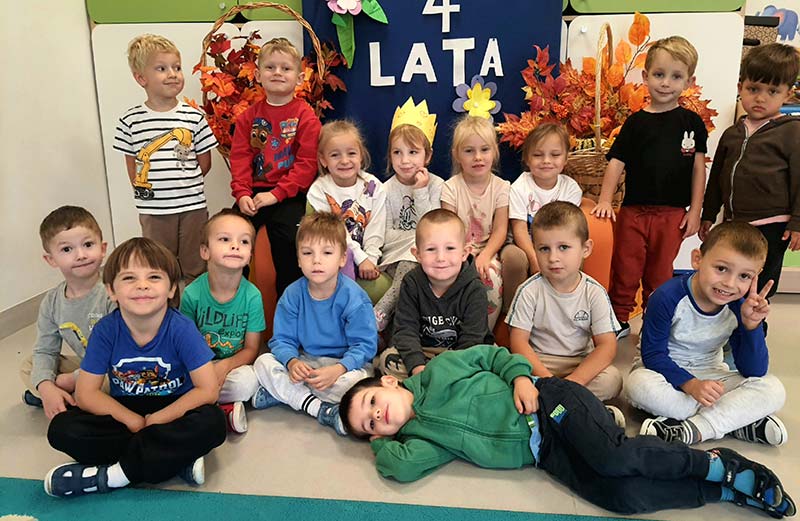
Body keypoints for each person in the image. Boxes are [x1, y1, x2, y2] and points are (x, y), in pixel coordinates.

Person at [340, 345, 795, 518]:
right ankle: (718, 491)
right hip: (546, 455)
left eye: (371, 404)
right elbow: (403, 468)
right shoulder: (420, 441)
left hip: (550, 402)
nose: (376, 417)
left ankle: (715, 465)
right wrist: (382, 444)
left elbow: (493, 356)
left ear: (389, 382)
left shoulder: (440, 371)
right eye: (369, 426)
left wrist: (521, 377)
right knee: (621, 498)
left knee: (613, 458)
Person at [45, 238, 227, 498]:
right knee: (62, 428)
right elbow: (86, 394)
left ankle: (113, 476)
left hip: (173, 411)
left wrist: (156, 420)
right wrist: (134, 421)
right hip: (124, 410)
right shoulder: (106, 331)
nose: (142, 285)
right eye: (129, 278)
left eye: (154, 277)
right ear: (111, 290)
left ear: (171, 289)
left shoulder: (182, 328)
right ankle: (172, 460)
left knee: (213, 422)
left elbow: (207, 390)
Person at [626, 222, 787, 447]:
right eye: (721, 269)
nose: (729, 284)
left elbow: (754, 370)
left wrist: (751, 326)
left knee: (773, 389)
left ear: (755, 277)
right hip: (664, 374)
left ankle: (694, 428)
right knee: (638, 385)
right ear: (697, 259)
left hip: (711, 374)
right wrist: (691, 384)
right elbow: (653, 356)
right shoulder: (666, 296)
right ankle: (735, 421)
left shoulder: (740, 306)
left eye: (744, 276)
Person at [591, 36, 708, 338]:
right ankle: (618, 320)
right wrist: (605, 199)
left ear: (689, 81)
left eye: (676, 76)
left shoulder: (692, 123)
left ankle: (654, 323)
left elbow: (698, 169)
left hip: (672, 215)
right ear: (645, 77)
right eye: (659, 74)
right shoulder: (635, 123)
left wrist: (695, 210)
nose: (666, 83)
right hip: (633, 213)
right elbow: (616, 163)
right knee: (625, 268)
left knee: (660, 273)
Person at [249, 212, 377, 436]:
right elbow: (282, 340)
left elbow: (365, 346)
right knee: (263, 363)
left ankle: (288, 395)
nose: (316, 260)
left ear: (342, 258)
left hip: (344, 365)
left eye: (327, 253)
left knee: (359, 384)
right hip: (307, 361)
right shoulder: (292, 294)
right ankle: (319, 408)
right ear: (299, 259)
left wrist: (339, 369)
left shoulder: (354, 297)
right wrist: (292, 362)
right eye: (308, 253)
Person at [114, 34, 218, 283]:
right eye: (162, 69)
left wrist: (184, 184)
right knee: (159, 265)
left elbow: (205, 163)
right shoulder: (130, 121)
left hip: (192, 206)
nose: (173, 74)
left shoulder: (194, 117)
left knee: (196, 264)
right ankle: (164, 305)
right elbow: (133, 166)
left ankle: (193, 305)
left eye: (177, 67)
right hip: (154, 210)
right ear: (141, 78)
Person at [506, 202, 623, 421]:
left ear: (585, 249)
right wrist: (549, 382)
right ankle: (578, 411)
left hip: (578, 362)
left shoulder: (594, 292)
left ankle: (555, 408)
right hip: (539, 362)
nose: (553, 258)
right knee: (512, 376)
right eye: (544, 249)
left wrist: (572, 383)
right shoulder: (528, 290)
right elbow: (519, 343)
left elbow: (607, 346)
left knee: (612, 379)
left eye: (563, 247)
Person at [701, 42, 800, 301]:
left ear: (788, 94)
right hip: (734, 223)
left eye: (772, 91)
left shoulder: (792, 131)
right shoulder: (732, 133)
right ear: (740, 87)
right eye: (753, 89)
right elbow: (717, 178)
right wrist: (708, 214)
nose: (761, 98)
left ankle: (756, 325)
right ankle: (729, 325)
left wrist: (797, 222)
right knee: (729, 283)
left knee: (759, 288)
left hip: (772, 226)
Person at [230, 37, 322, 297]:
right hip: (253, 193)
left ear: (300, 78)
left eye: (286, 68)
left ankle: (289, 305)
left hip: (289, 194)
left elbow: (307, 164)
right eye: (270, 67)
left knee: (292, 243)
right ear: (258, 75)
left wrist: (276, 194)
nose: (278, 73)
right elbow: (240, 158)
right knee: (230, 234)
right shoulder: (248, 118)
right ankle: (235, 299)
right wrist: (242, 193)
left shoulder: (305, 117)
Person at [21, 206, 115, 418]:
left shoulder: (113, 292)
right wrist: (46, 385)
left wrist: (75, 378)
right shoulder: (52, 302)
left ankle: (70, 399)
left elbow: (121, 352)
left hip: (113, 368)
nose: (81, 255)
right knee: (29, 366)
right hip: (87, 367)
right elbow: (45, 350)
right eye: (67, 249)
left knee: (111, 380)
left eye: (88, 245)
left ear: (102, 249)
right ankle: (61, 397)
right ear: (51, 259)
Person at [377, 209, 493, 380]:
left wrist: (451, 371)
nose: (440, 257)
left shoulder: (474, 288)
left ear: (464, 253)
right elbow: (406, 330)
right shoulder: (411, 283)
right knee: (387, 360)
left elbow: (473, 338)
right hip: (424, 352)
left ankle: (439, 384)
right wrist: (417, 367)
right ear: (417, 254)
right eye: (431, 249)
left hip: (462, 355)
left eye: (450, 248)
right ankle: (428, 383)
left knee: (490, 359)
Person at [180, 209, 266, 434]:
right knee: (174, 377)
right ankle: (221, 410)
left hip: (233, 367)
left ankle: (202, 405)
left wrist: (225, 366)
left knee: (248, 382)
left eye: (244, 241)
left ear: (250, 255)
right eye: (225, 239)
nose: (235, 246)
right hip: (198, 366)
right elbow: (184, 345)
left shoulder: (252, 296)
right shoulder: (191, 293)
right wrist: (205, 371)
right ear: (205, 251)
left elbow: (251, 349)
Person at [373, 98, 444, 333]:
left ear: (427, 156)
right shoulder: (385, 189)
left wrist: (420, 191)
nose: (404, 161)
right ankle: (380, 313)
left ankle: (394, 332)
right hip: (395, 256)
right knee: (408, 265)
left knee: (414, 277)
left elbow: (432, 229)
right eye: (397, 152)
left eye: (413, 152)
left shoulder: (437, 185)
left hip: (427, 255)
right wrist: (414, 240)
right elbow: (385, 234)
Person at [307, 120, 391, 304]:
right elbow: (335, 233)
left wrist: (371, 259)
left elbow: (376, 227)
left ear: (361, 155)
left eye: (351, 153)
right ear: (323, 160)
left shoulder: (373, 186)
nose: (344, 161)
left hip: (367, 256)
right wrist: (360, 259)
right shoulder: (319, 190)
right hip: (334, 256)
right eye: (335, 155)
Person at [441, 115, 510, 329]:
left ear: (495, 152)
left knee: (490, 276)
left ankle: (485, 333)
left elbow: (500, 230)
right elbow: (449, 229)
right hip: (458, 249)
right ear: (457, 155)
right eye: (469, 151)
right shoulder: (450, 188)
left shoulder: (502, 187)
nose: (478, 157)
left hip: (488, 249)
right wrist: (462, 254)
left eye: (484, 150)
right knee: (451, 275)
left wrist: (486, 255)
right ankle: (455, 331)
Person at [505, 123, 583, 306]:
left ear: (565, 158)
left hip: (556, 243)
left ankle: (567, 305)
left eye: (555, 155)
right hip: (523, 245)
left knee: (575, 255)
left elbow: (568, 230)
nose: (546, 161)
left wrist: (552, 254)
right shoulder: (519, 187)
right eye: (538, 155)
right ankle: (513, 309)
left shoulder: (570, 188)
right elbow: (519, 229)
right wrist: (534, 258)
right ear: (527, 159)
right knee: (513, 258)